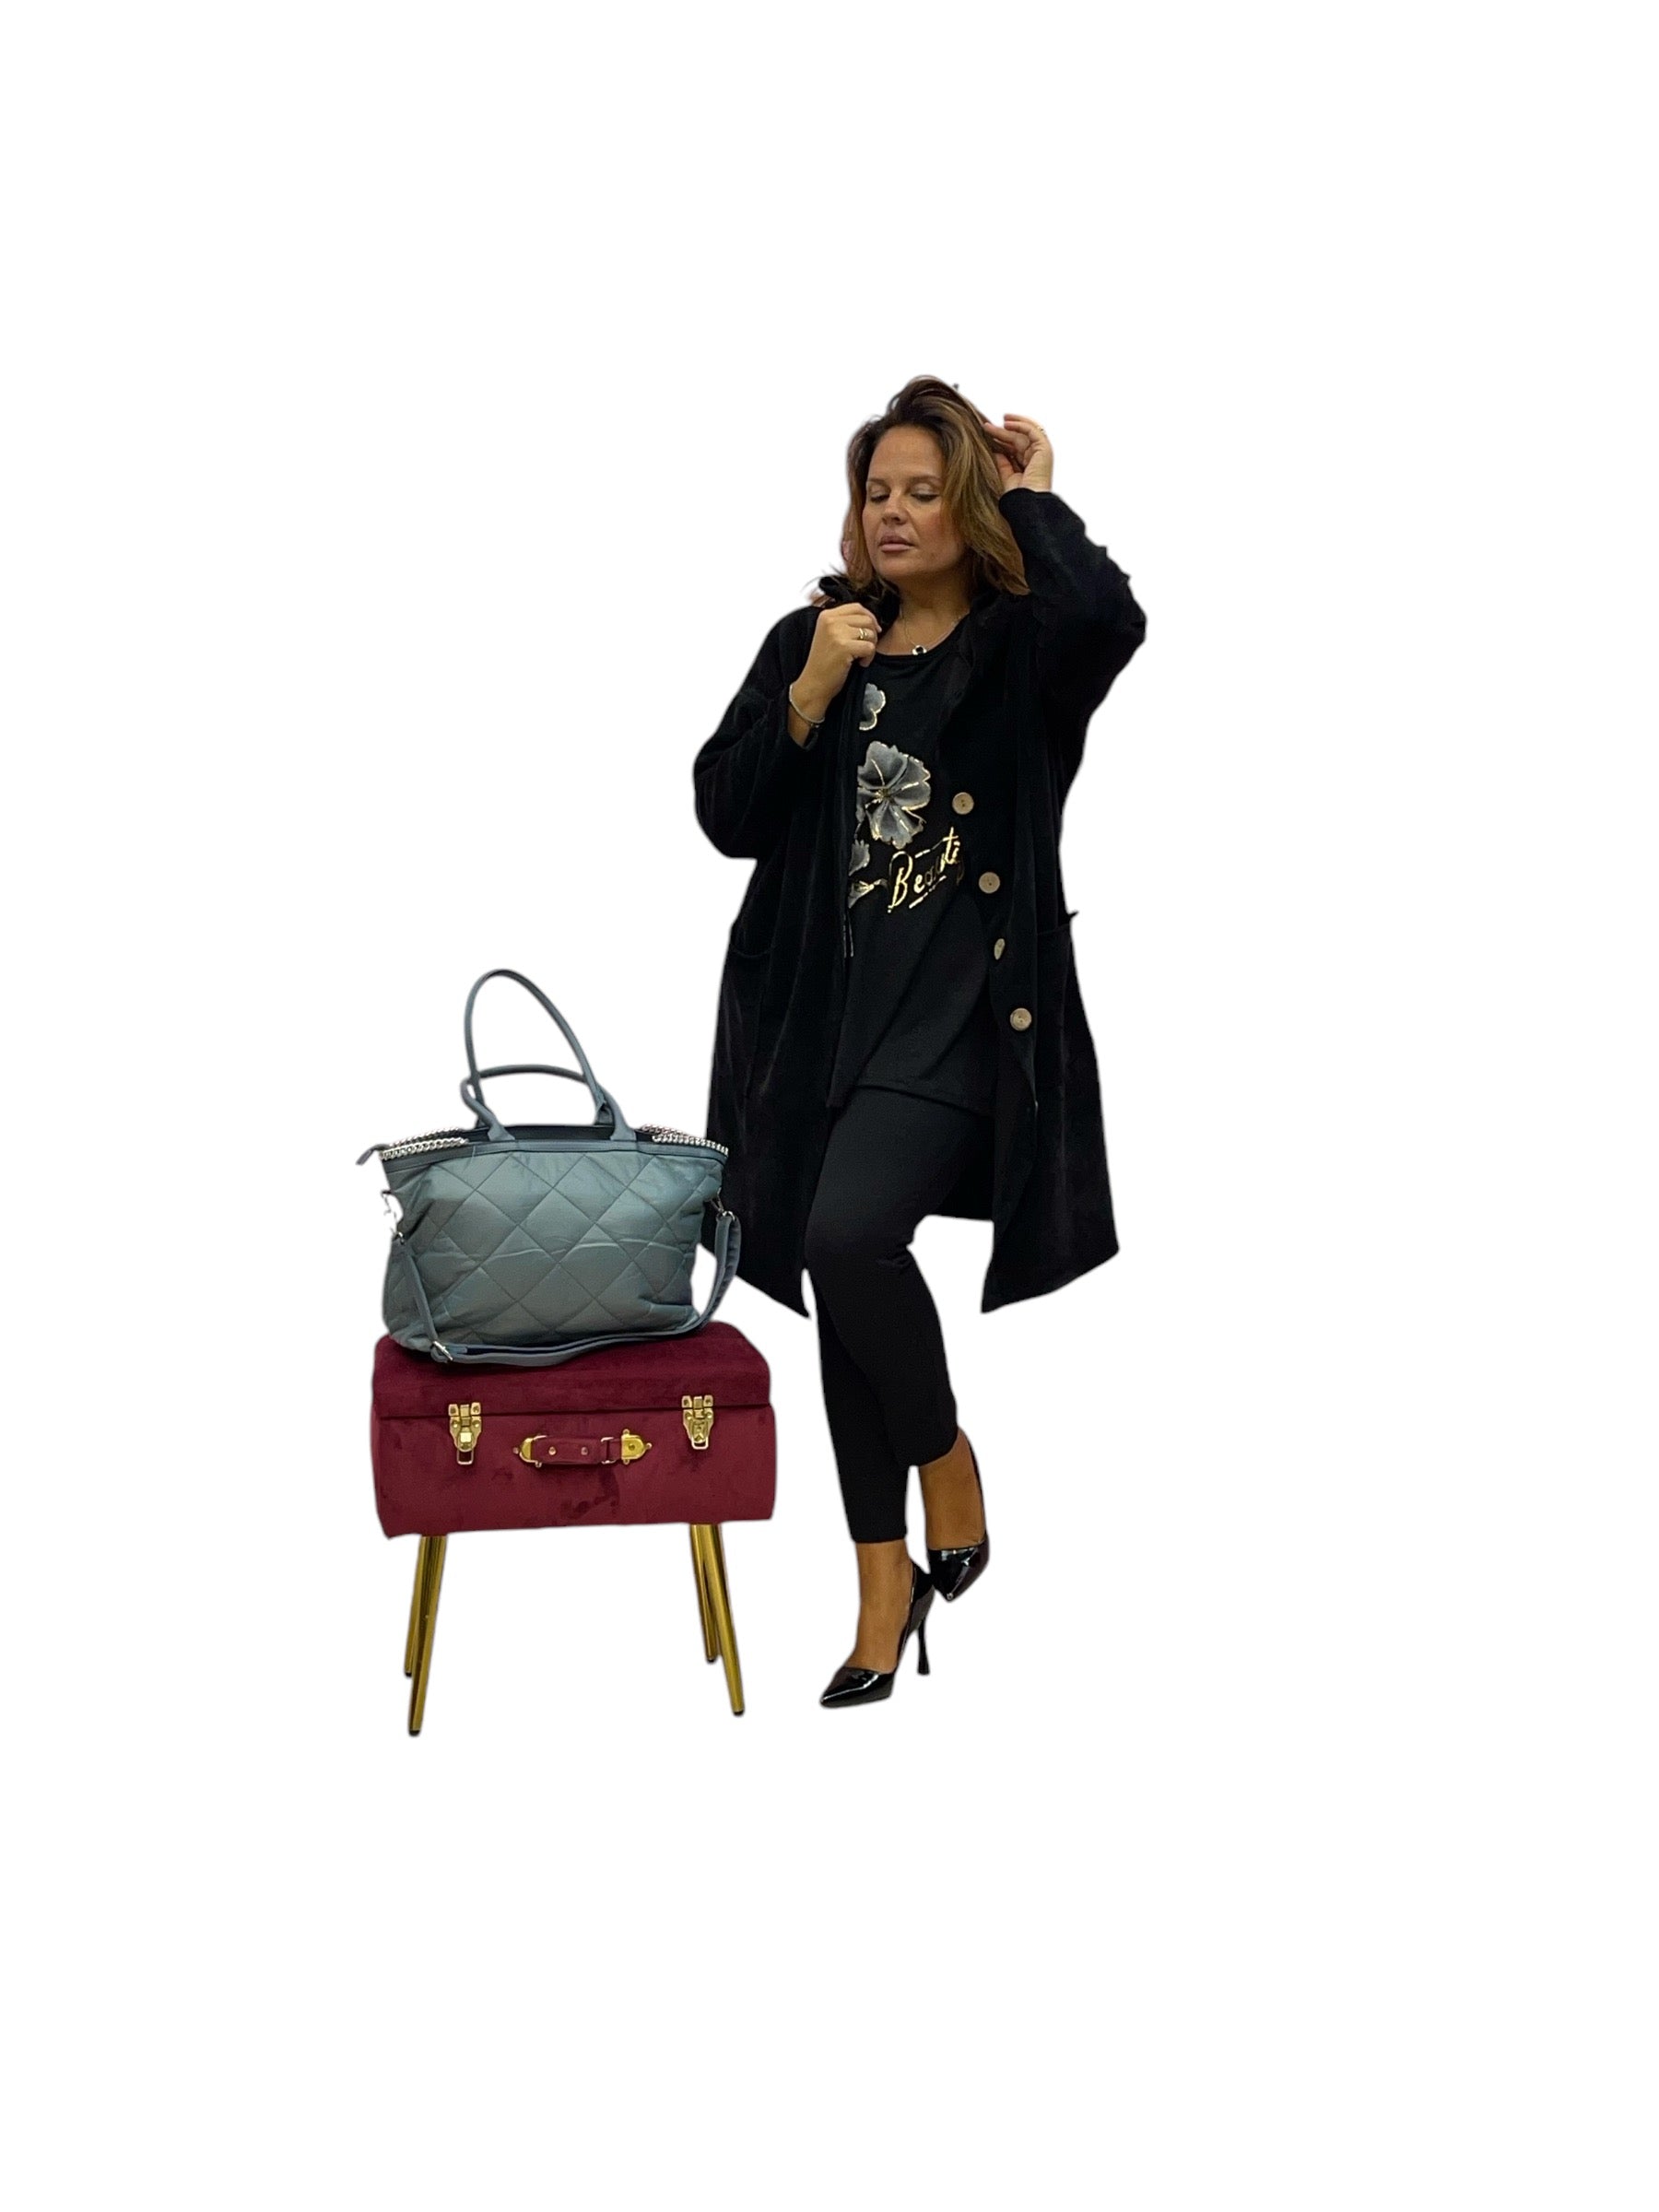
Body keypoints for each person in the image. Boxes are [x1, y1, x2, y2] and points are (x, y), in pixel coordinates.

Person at [693, 374, 1147, 1708]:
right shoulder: (814, 638)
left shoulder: (1024, 649)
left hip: (963, 1033)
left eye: (923, 492)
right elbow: (725, 813)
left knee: (847, 1238)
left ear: (970, 507)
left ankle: (945, 1458)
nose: (892, 513)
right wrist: (809, 691)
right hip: (815, 1030)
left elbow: (1111, 620)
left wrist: (1038, 500)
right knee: (843, 1285)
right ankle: (880, 1594)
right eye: (875, 491)